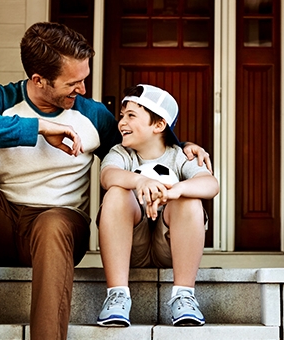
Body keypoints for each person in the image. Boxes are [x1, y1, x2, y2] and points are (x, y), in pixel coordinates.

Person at [0, 22, 210, 339]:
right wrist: (37, 128)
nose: (82, 89)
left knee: (53, 224)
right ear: (38, 80)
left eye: (84, 79)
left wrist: (183, 146)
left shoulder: (93, 116)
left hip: (59, 224)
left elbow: (141, 147)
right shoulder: (0, 99)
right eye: (73, 82)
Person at [96, 84, 219, 327]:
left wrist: (178, 190)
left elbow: (211, 184)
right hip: (132, 248)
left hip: (170, 249)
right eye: (122, 116)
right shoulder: (121, 153)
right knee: (116, 193)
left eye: (131, 116)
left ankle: (184, 295)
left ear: (159, 125)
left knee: (190, 199)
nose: (122, 122)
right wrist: (140, 181)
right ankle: (117, 295)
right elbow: (108, 176)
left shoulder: (180, 156)